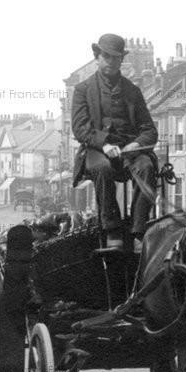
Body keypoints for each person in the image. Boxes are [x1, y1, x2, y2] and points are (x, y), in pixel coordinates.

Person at [71, 33, 158, 252]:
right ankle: (112, 230)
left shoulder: (133, 91)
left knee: (147, 166)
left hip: (130, 152)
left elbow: (149, 130)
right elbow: (80, 128)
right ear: (97, 57)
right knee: (102, 168)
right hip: (97, 150)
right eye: (107, 57)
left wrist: (136, 145)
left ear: (122, 60)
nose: (111, 62)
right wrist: (104, 144)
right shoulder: (82, 90)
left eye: (116, 58)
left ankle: (139, 232)